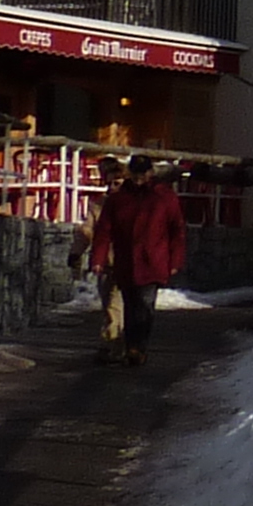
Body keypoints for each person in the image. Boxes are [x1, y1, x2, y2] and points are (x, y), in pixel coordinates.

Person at [87, 155, 187, 367]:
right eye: (136, 174)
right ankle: (132, 346)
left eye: (143, 174)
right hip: (126, 261)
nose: (139, 179)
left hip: (153, 261)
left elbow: (176, 230)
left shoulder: (164, 197)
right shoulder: (118, 199)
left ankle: (138, 347)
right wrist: (98, 258)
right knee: (131, 306)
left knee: (145, 304)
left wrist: (175, 260)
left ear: (150, 173)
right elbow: (104, 231)